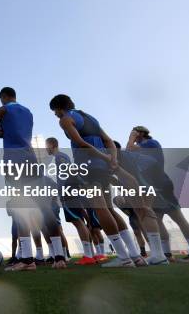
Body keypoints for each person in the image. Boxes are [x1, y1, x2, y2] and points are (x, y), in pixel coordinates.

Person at [49, 94, 136, 268]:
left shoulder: (66, 119)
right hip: (102, 168)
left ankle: (123, 258)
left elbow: (81, 143)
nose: (55, 115)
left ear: (59, 108)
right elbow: (109, 140)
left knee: (100, 208)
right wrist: (112, 159)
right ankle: (135, 255)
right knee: (110, 208)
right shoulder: (90, 118)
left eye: (54, 111)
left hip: (89, 167)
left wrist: (105, 157)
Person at [0, 87, 64, 272]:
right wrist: (3, 132)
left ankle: (28, 259)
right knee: (44, 208)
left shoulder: (1, 110)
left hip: (14, 162)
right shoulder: (28, 112)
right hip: (31, 159)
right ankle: (60, 257)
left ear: (3, 97)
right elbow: (16, 133)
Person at [126, 127, 189, 263]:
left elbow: (129, 149)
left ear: (142, 133)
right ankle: (167, 254)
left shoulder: (150, 143)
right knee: (157, 219)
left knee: (178, 217)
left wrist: (131, 138)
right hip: (153, 185)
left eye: (135, 132)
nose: (133, 135)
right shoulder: (141, 147)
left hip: (161, 185)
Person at [45, 137, 96, 265]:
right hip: (72, 190)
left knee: (78, 222)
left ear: (52, 145)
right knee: (80, 222)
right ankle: (91, 254)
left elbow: (69, 171)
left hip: (68, 192)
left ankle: (89, 255)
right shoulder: (63, 156)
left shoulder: (59, 157)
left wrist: (67, 188)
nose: (46, 148)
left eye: (46, 146)